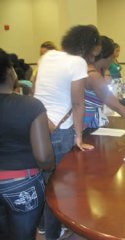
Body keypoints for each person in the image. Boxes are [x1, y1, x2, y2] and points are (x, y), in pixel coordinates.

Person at [34, 25, 100, 240]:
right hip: (61, 132)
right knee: (59, 191)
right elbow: (78, 103)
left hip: (38, 129)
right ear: (88, 46)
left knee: (44, 184)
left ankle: (43, 229)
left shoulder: (48, 56)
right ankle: (53, 234)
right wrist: (79, 136)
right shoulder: (78, 62)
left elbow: (36, 90)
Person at [0, 48, 55, 239]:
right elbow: (44, 156)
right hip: (22, 184)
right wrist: (50, 169)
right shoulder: (30, 106)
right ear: (10, 72)